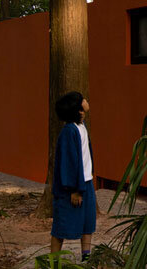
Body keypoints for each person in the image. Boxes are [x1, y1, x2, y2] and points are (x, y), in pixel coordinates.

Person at [50, 91, 97, 261]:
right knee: (61, 226)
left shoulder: (81, 126)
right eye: (83, 99)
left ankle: (86, 258)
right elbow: (68, 162)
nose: (86, 100)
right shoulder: (69, 131)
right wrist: (74, 190)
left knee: (88, 222)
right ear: (78, 108)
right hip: (72, 187)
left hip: (86, 182)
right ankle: (54, 261)